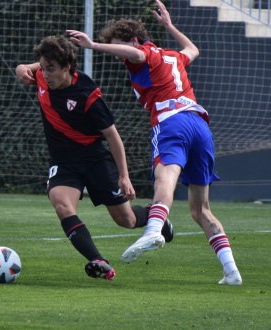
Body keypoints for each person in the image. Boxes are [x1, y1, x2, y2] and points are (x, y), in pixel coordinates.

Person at [66, 0, 242, 285]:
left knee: (165, 178)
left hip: (173, 121)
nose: (116, 54)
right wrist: (170, 27)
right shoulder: (172, 54)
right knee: (200, 210)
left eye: (118, 45)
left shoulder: (143, 53)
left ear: (134, 39)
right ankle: (231, 271)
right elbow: (193, 50)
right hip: (200, 124)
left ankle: (153, 231)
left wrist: (94, 45)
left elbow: (133, 52)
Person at [15, 36, 173, 280]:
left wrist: (124, 177)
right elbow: (28, 69)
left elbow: (113, 137)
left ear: (67, 67)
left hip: (96, 159)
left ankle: (156, 217)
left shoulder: (88, 93)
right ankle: (99, 261)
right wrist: (20, 69)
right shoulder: (41, 76)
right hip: (64, 161)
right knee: (61, 204)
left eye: (51, 69)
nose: (45, 75)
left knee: (127, 220)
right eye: (43, 68)